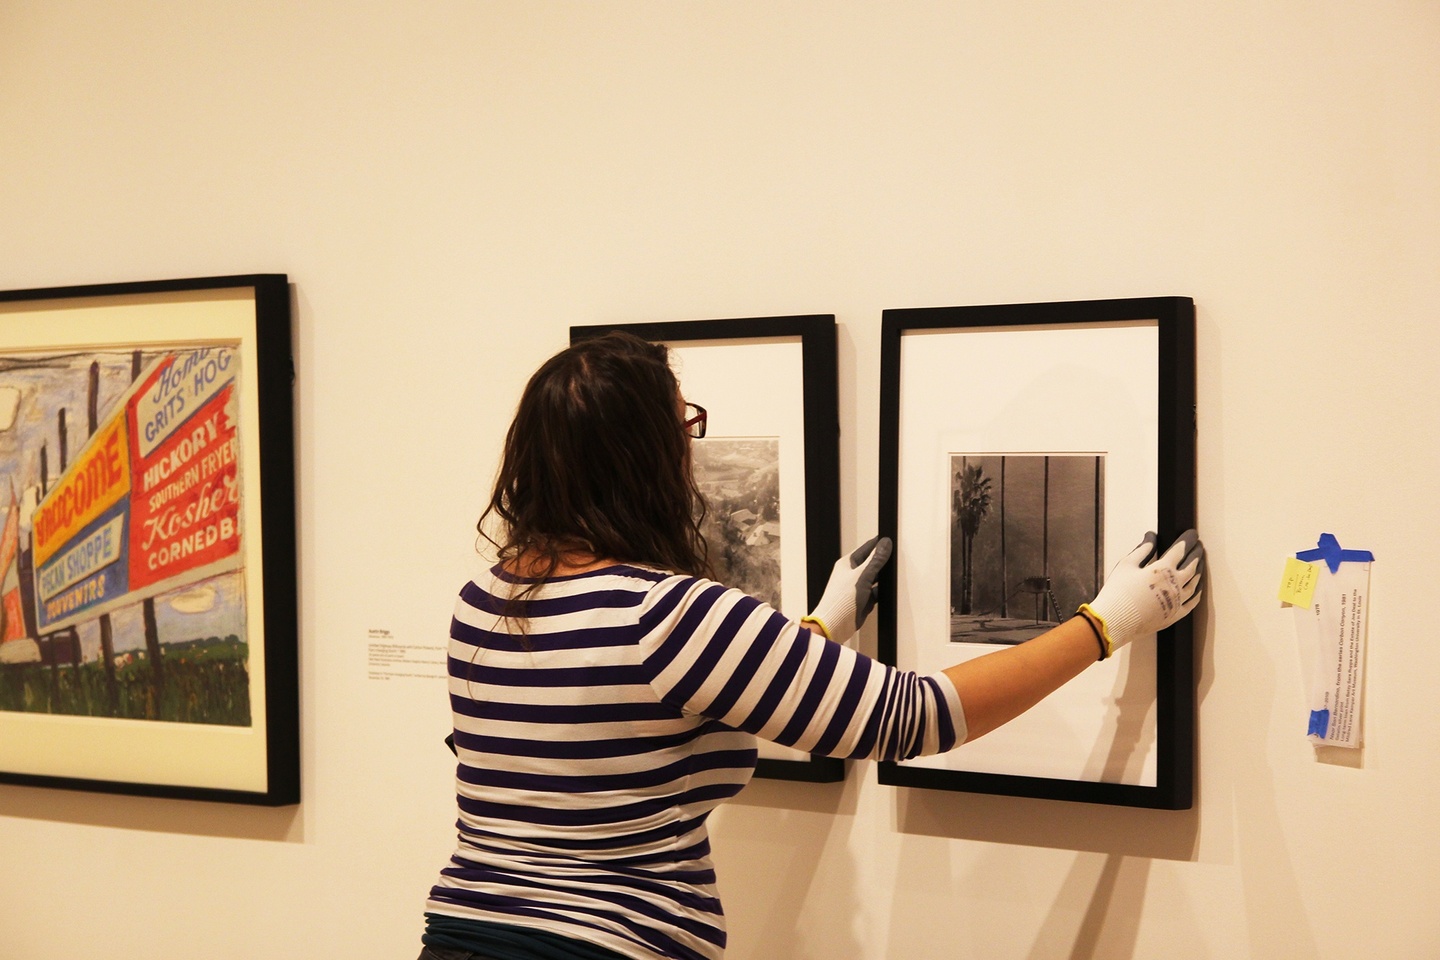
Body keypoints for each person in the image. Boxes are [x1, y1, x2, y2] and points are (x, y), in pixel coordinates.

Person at [417, 332, 1204, 960]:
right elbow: (915, 717)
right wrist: (1106, 622)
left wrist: (819, 631)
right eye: (684, 424)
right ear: (646, 457)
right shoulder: (671, 614)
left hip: (456, 938)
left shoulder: (487, 601)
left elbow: (620, 723)